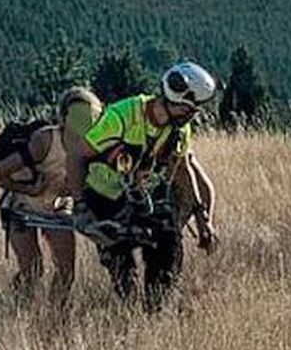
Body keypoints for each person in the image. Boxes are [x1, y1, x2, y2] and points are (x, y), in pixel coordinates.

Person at [67, 61, 219, 312]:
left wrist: (203, 219)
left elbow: (182, 169)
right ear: (175, 98)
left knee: (169, 244)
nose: (194, 115)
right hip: (103, 194)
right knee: (121, 259)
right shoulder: (122, 117)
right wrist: (81, 205)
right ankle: (128, 309)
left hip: (142, 194)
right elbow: (78, 156)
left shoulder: (180, 130)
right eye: (190, 109)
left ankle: (157, 311)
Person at [0, 86, 103, 307]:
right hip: (21, 209)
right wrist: (30, 189)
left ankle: (52, 321)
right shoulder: (45, 141)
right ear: (63, 118)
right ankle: (18, 309)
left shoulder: (96, 146)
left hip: (58, 211)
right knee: (32, 271)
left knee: (66, 273)